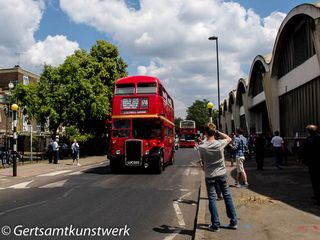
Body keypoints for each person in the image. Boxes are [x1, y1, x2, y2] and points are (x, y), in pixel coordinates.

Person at [198, 123, 238, 232]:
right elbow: (229, 138)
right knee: (227, 196)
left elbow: (202, 163)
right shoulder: (220, 143)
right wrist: (218, 132)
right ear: (214, 132)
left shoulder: (201, 147)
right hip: (222, 174)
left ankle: (215, 224)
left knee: (212, 198)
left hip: (210, 175)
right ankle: (233, 221)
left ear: (205, 133)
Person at [300, 125, 320, 205]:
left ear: (308, 132)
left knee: (315, 180)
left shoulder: (308, 140)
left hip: (313, 163)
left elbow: (303, 151)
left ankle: (318, 197)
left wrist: (304, 161)